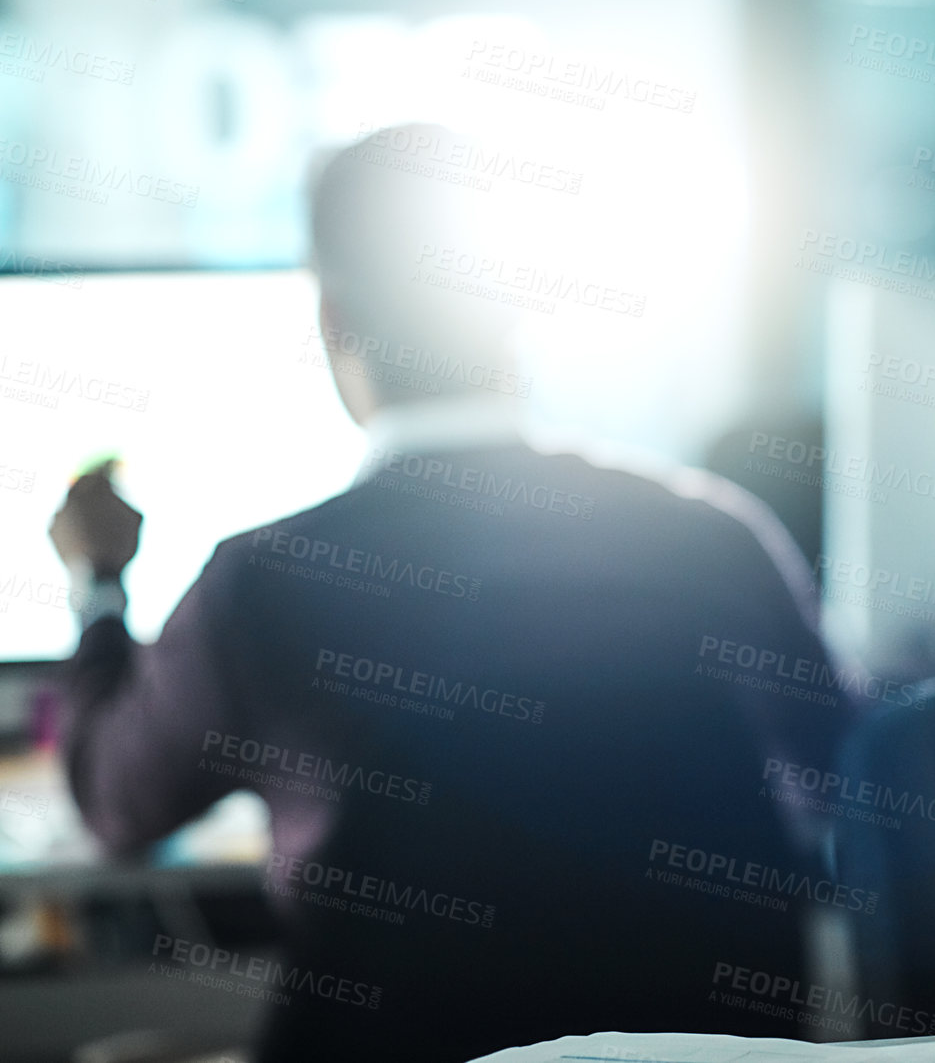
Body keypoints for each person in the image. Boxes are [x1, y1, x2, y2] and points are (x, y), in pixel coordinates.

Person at [48, 124, 853, 1061]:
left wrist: (99, 583)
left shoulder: (266, 581)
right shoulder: (716, 536)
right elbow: (844, 775)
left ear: (335, 318)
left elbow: (115, 810)